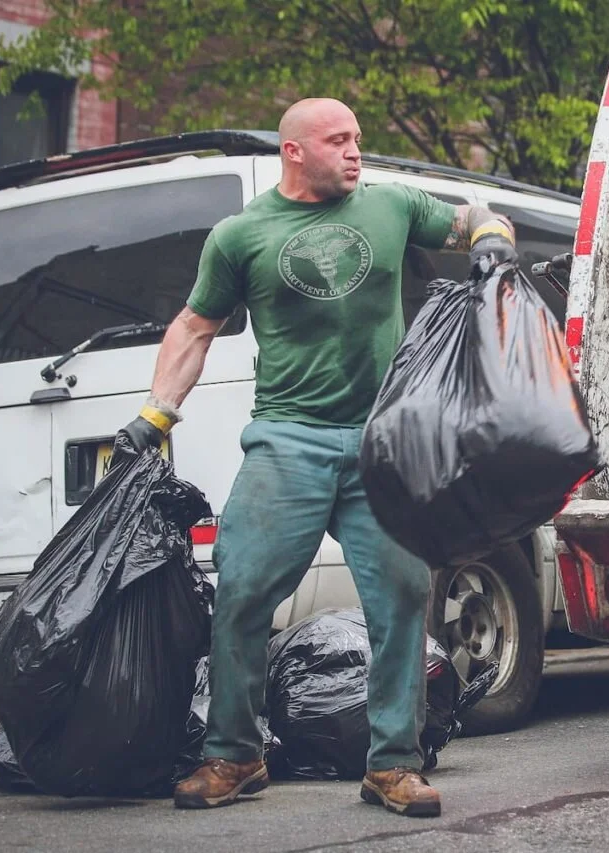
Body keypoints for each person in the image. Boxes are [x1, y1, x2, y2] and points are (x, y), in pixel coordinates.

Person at [117, 98, 517, 816]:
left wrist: (491, 238)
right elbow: (194, 327)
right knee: (240, 590)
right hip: (287, 438)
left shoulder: (391, 205)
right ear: (294, 152)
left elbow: (474, 213)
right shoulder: (240, 235)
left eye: (359, 138)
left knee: (399, 597)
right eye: (339, 141)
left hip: (379, 442)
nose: (356, 151)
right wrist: (156, 412)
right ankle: (235, 754)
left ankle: (392, 764)